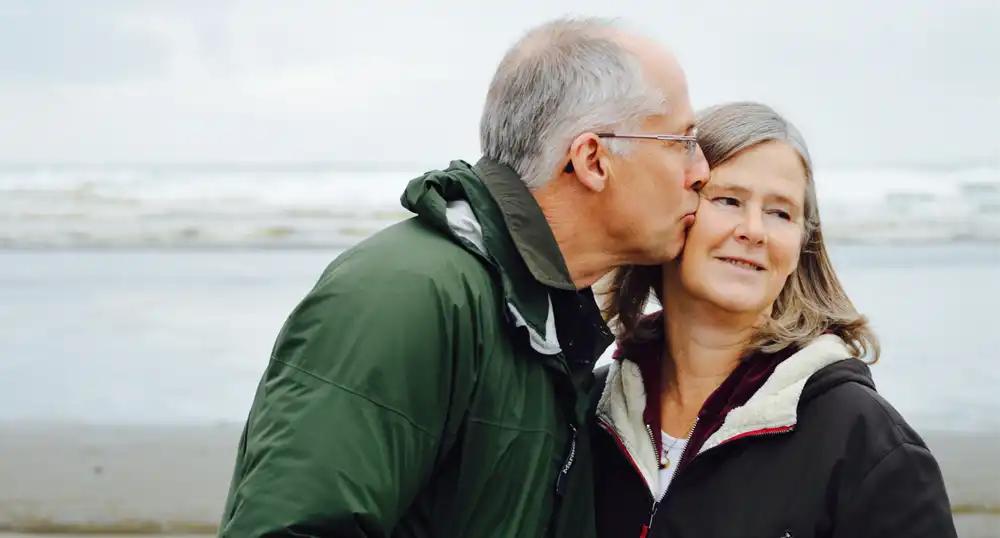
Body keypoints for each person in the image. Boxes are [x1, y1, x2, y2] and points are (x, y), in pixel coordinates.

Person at [218, 17, 709, 537]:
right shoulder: (407, 295)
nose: (700, 170)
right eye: (681, 141)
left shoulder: (544, 317)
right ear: (592, 160)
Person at [592, 102, 956, 538]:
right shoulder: (591, 412)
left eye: (780, 212)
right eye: (728, 200)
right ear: (675, 210)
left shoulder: (867, 443)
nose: (753, 230)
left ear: (802, 244)